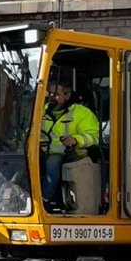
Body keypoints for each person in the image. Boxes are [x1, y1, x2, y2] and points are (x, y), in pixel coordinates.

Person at [40, 82, 100, 210]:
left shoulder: (81, 113)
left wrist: (76, 140)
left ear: (67, 96)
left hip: (70, 153)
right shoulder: (42, 111)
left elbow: (94, 136)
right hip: (42, 152)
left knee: (52, 163)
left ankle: (43, 201)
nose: (51, 97)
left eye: (56, 94)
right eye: (50, 94)